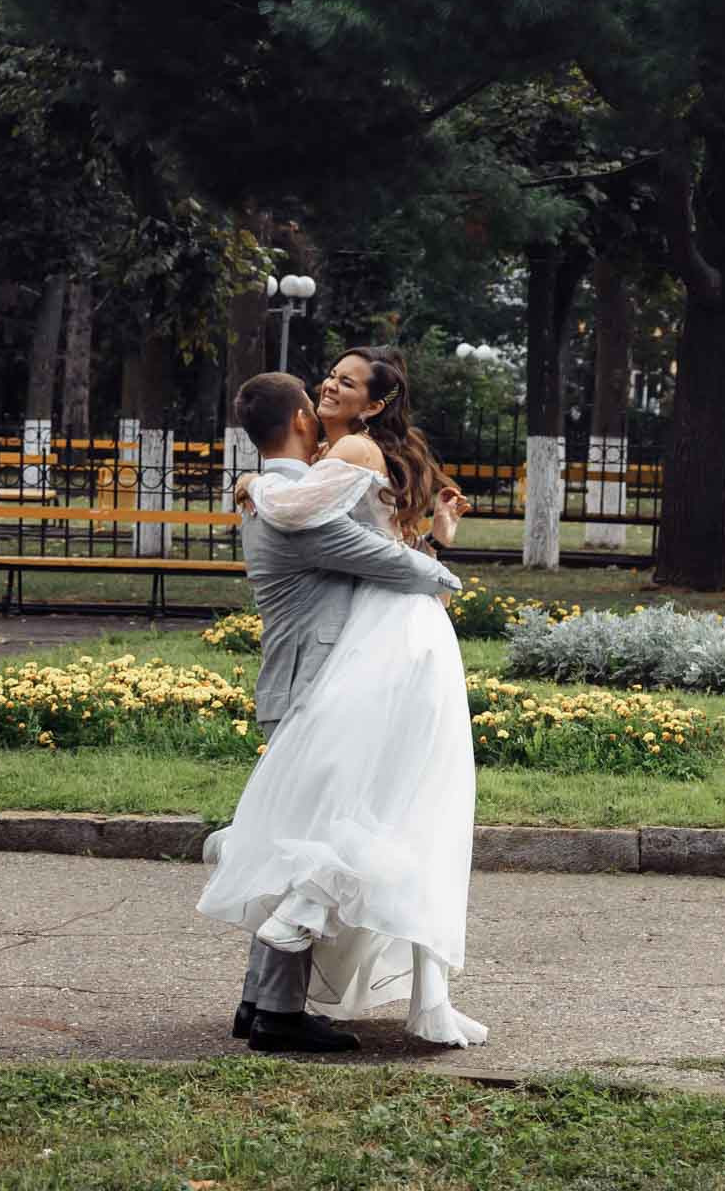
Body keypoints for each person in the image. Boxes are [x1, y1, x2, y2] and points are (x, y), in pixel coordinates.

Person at [200, 350, 488, 1048]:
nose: (329, 386)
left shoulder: (322, 473)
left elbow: (377, 537)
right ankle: (276, 1015)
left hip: (337, 669)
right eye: (324, 383)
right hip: (322, 676)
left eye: (345, 380)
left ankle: (262, 1004)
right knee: (313, 830)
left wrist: (429, 539)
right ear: (302, 419)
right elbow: (380, 557)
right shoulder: (294, 496)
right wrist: (440, 573)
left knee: (301, 829)